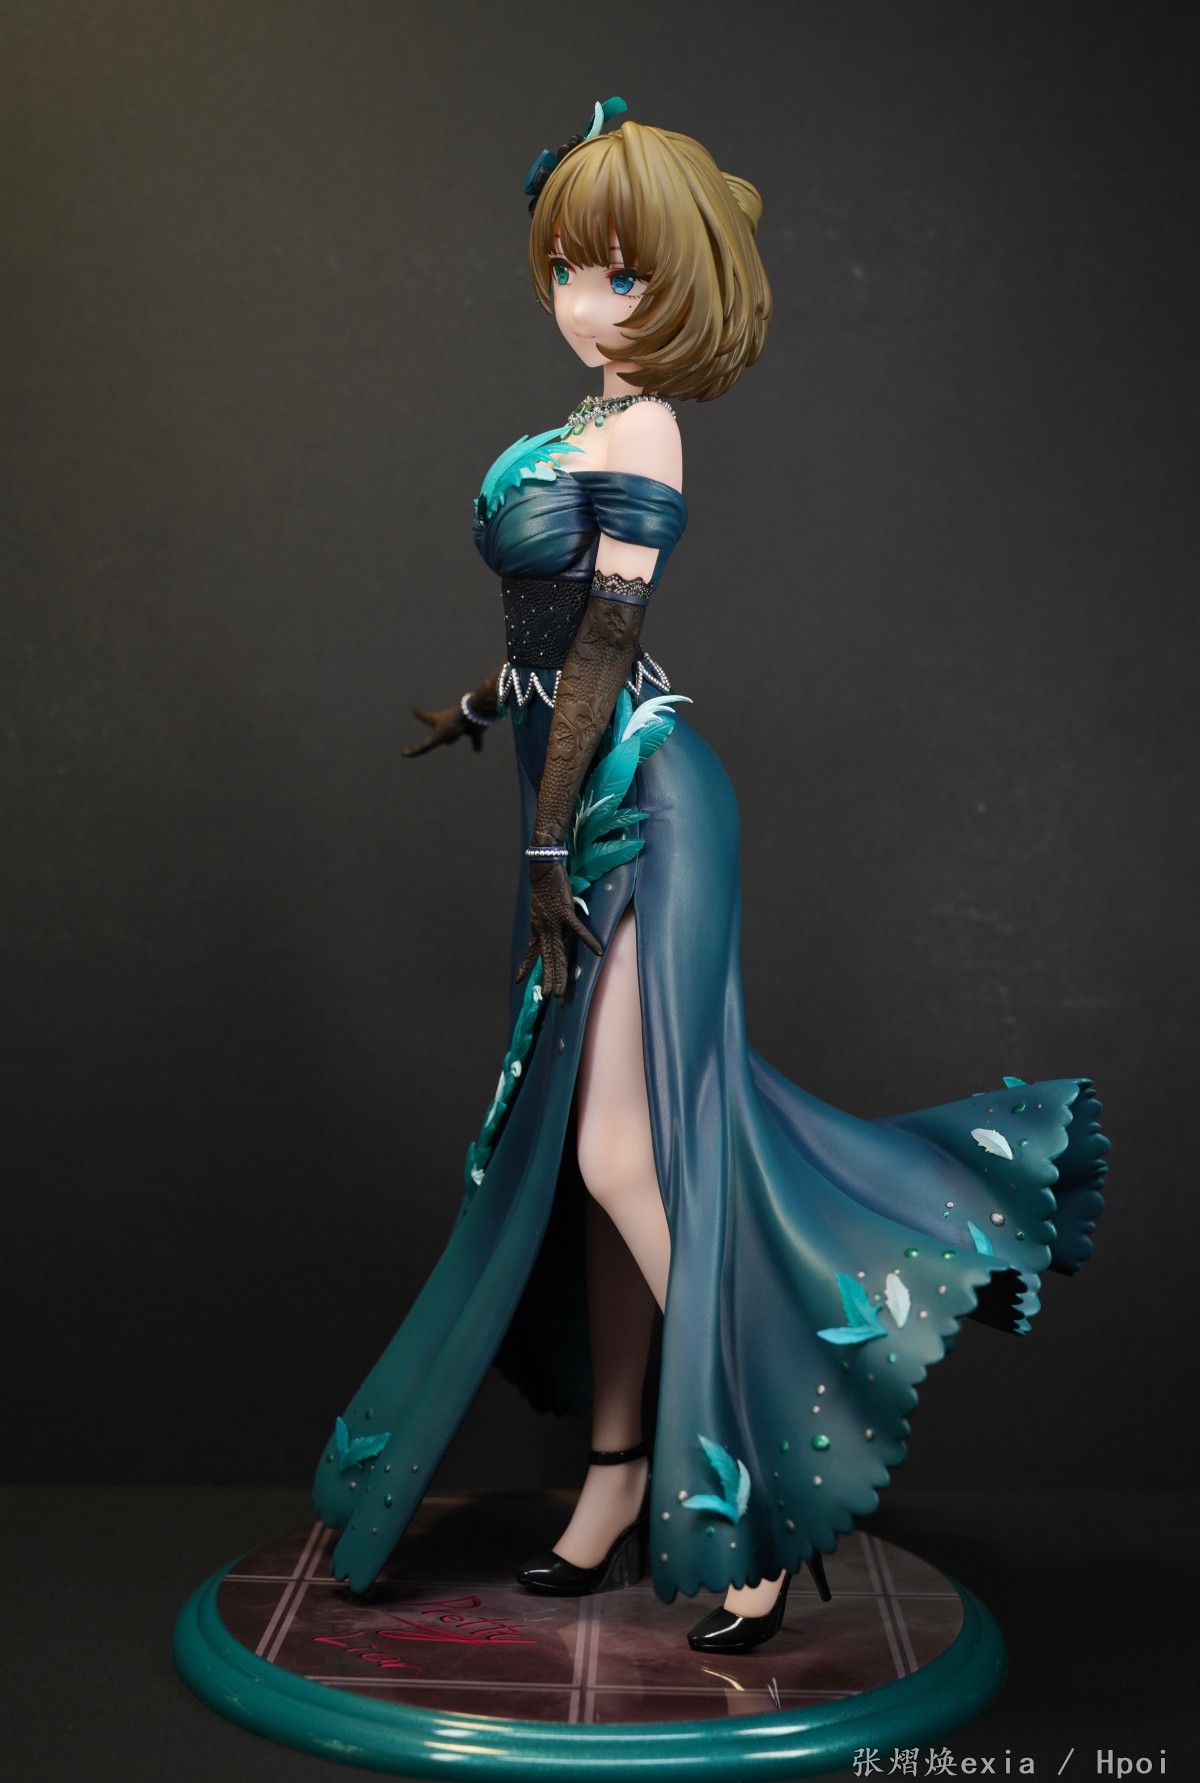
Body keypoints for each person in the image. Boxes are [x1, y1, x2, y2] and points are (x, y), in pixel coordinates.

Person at [312, 103, 1108, 1653]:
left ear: (679, 282)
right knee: (591, 1167)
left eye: (619, 276)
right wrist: (478, 709)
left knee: (628, 1153)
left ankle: (767, 1483)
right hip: (568, 796)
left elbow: (607, 648)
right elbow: (549, 632)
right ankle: (617, 1476)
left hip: (644, 810)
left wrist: (551, 838)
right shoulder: (581, 422)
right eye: (569, 269)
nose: (586, 301)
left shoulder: (648, 431)